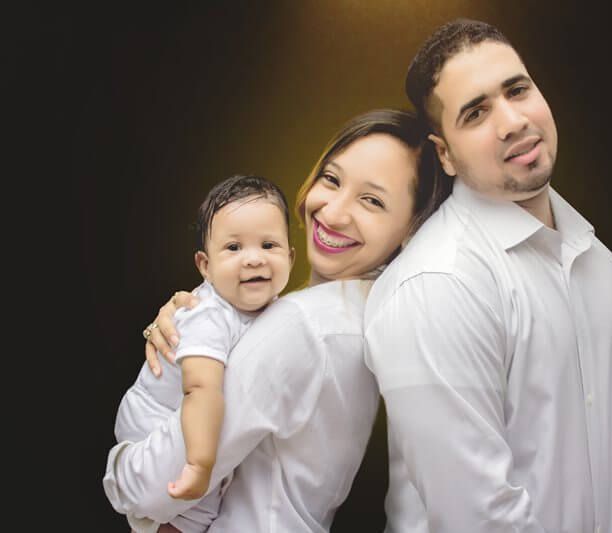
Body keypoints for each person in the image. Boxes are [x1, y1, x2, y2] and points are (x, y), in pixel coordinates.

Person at [363, 19, 612, 532]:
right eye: (476, 112)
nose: (511, 121)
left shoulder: (600, 265)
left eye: (517, 90)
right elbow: (479, 518)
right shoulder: (438, 285)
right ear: (445, 154)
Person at [103, 109, 452, 532]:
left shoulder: (301, 325)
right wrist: (197, 313)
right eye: (332, 179)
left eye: (372, 200)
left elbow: (151, 489)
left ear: (412, 228)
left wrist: (120, 467)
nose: (333, 212)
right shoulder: (359, 315)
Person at [114, 175, 294, 532]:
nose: (253, 259)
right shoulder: (208, 313)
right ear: (204, 266)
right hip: (155, 424)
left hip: (198, 429)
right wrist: (198, 463)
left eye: (269, 245)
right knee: (187, 511)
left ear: (290, 256)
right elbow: (201, 388)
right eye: (233, 248)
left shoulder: (278, 311)